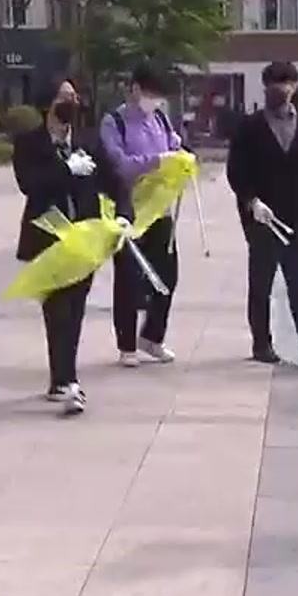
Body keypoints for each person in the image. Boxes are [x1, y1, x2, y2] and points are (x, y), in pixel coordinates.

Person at [13, 78, 125, 416]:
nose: (71, 102)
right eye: (64, 97)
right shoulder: (29, 144)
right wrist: (65, 169)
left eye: (74, 96)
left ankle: (62, 378)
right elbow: (29, 185)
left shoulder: (88, 140)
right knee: (57, 309)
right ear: (48, 103)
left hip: (84, 240)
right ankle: (67, 380)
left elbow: (115, 181)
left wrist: (124, 216)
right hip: (48, 238)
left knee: (75, 309)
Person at [228, 62, 298, 369]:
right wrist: (251, 201)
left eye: (287, 83)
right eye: (275, 84)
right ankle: (262, 342)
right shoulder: (249, 128)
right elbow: (236, 170)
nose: (281, 89)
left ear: (296, 86)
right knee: (261, 282)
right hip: (263, 216)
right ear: (265, 87)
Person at [101, 62, 185, 367]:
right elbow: (119, 164)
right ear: (134, 88)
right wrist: (156, 161)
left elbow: (174, 145)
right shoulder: (115, 122)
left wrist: (178, 155)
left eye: (158, 95)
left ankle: (152, 336)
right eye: (150, 93)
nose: (154, 100)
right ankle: (126, 345)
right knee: (128, 278)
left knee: (168, 276)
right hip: (129, 212)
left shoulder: (160, 119)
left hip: (160, 212)